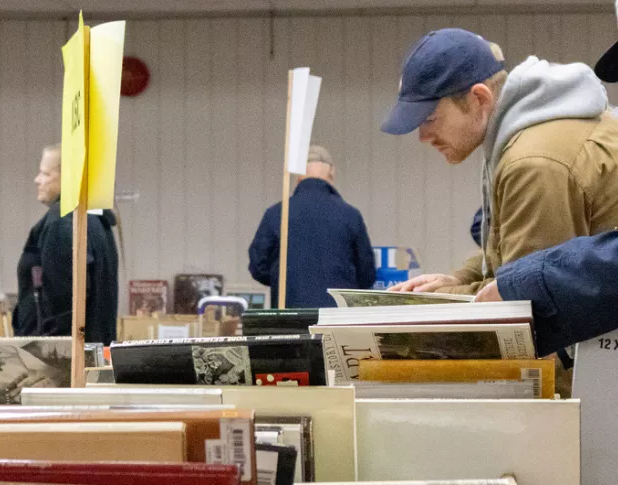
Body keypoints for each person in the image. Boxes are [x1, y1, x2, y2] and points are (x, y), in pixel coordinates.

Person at [381, 28, 618, 296]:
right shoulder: (530, 136)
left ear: (480, 98)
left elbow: (526, 299)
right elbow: (508, 252)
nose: (423, 137)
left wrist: (432, 300)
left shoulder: (534, 161)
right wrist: (458, 279)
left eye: (430, 119)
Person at [12, 144, 119, 345]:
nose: (37, 180)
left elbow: (62, 304)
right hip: (94, 349)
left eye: (45, 173)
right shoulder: (96, 221)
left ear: (68, 176)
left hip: (59, 359)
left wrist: (51, 354)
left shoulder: (61, 222)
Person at [248, 145, 376, 308]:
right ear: (332, 172)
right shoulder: (351, 215)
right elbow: (367, 274)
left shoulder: (277, 213)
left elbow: (258, 266)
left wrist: (283, 281)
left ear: (298, 177)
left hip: (290, 317)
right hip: (336, 319)